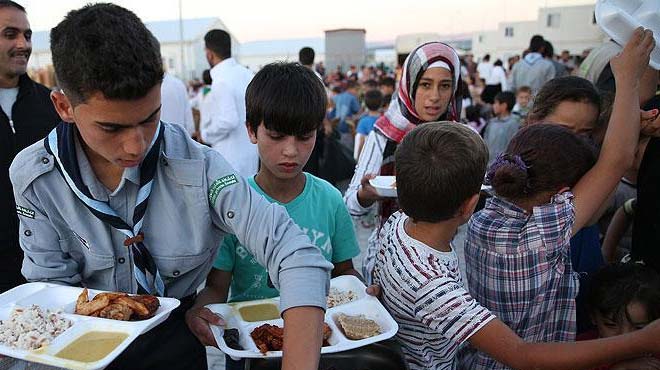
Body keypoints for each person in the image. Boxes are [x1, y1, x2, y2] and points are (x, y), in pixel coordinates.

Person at [9, 4, 333, 370]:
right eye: (112, 128)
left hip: (174, 341)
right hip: (80, 345)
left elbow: (295, 253)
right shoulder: (37, 177)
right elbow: (51, 294)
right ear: (64, 106)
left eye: (150, 118)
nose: (136, 145)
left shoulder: (203, 169)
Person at [373, 122, 660, 370]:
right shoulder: (434, 288)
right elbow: (522, 356)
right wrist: (641, 340)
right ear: (471, 205)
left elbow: (383, 279)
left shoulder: (398, 222)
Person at [462, 28, 655, 370]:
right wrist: (629, 78)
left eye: (588, 134)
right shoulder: (543, 229)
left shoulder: (489, 211)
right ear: (533, 123)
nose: (583, 146)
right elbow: (616, 160)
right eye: (567, 135)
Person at [187, 62, 363, 370]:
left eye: (304, 136)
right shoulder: (233, 207)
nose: (291, 151)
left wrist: (364, 292)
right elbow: (217, 286)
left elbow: (344, 270)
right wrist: (201, 309)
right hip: (248, 347)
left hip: (315, 344)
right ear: (252, 131)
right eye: (277, 136)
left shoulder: (330, 200)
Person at [343, 41, 463, 283]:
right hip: (388, 262)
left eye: (445, 86)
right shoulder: (385, 134)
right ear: (409, 85)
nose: (435, 97)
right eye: (425, 85)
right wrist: (367, 195)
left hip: (439, 266)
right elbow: (350, 206)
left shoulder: (458, 137)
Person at [0, 0, 59, 293]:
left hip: (46, 269)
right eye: (10, 34)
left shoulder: (51, 106)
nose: (23, 44)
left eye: (27, 35)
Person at [580, 263, 660, 369]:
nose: (624, 336)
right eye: (611, 325)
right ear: (593, 317)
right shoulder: (580, 350)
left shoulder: (656, 351)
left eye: (639, 328)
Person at [202, 29, 258, 178]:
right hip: (251, 154)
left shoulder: (221, 81)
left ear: (209, 54)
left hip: (229, 158)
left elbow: (228, 120)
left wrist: (206, 134)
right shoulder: (247, 74)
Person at [483, 91, 519, 164]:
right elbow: (485, 143)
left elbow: (513, 147)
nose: (493, 105)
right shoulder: (491, 123)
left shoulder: (513, 123)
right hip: (489, 165)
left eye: (496, 103)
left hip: (504, 166)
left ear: (504, 105)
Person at [354, 89, 382, 159]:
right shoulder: (384, 119)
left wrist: (358, 158)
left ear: (366, 104)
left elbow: (361, 140)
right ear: (381, 103)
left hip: (368, 156)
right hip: (381, 155)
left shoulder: (363, 121)